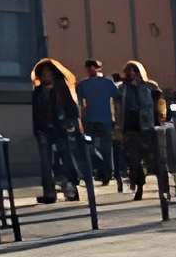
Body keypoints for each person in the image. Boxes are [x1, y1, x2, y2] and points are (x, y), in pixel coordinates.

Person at [29, 57, 85, 204]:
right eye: (44, 73)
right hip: (44, 130)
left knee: (66, 160)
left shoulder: (61, 87)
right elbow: (35, 113)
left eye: (49, 72)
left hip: (61, 129)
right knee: (46, 163)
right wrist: (37, 130)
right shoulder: (38, 91)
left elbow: (72, 108)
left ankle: (71, 189)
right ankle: (49, 193)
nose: (46, 75)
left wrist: (70, 124)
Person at [115, 58, 166, 195]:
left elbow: (160, 103)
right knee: (134, 159)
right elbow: (117, 107)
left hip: (148, 126)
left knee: (153, 158)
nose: (132, 74)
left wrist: (161, 117)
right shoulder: (121, 88)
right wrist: (118, 126)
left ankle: (163, 186)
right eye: (129, 71)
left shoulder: (150, 86)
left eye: (135, 71)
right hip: (130, 127)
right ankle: (139, 185)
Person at [77, 61, 118, 185]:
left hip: (101, 119)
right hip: (93, 120)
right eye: (89, 68)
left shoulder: (105, 83)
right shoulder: (85, 84)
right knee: (95, 148)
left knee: (101, 148)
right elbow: (80, 103)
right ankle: (105, 170)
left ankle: (105, 172)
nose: (91, 70)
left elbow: (117, 99)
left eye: (92, 68)